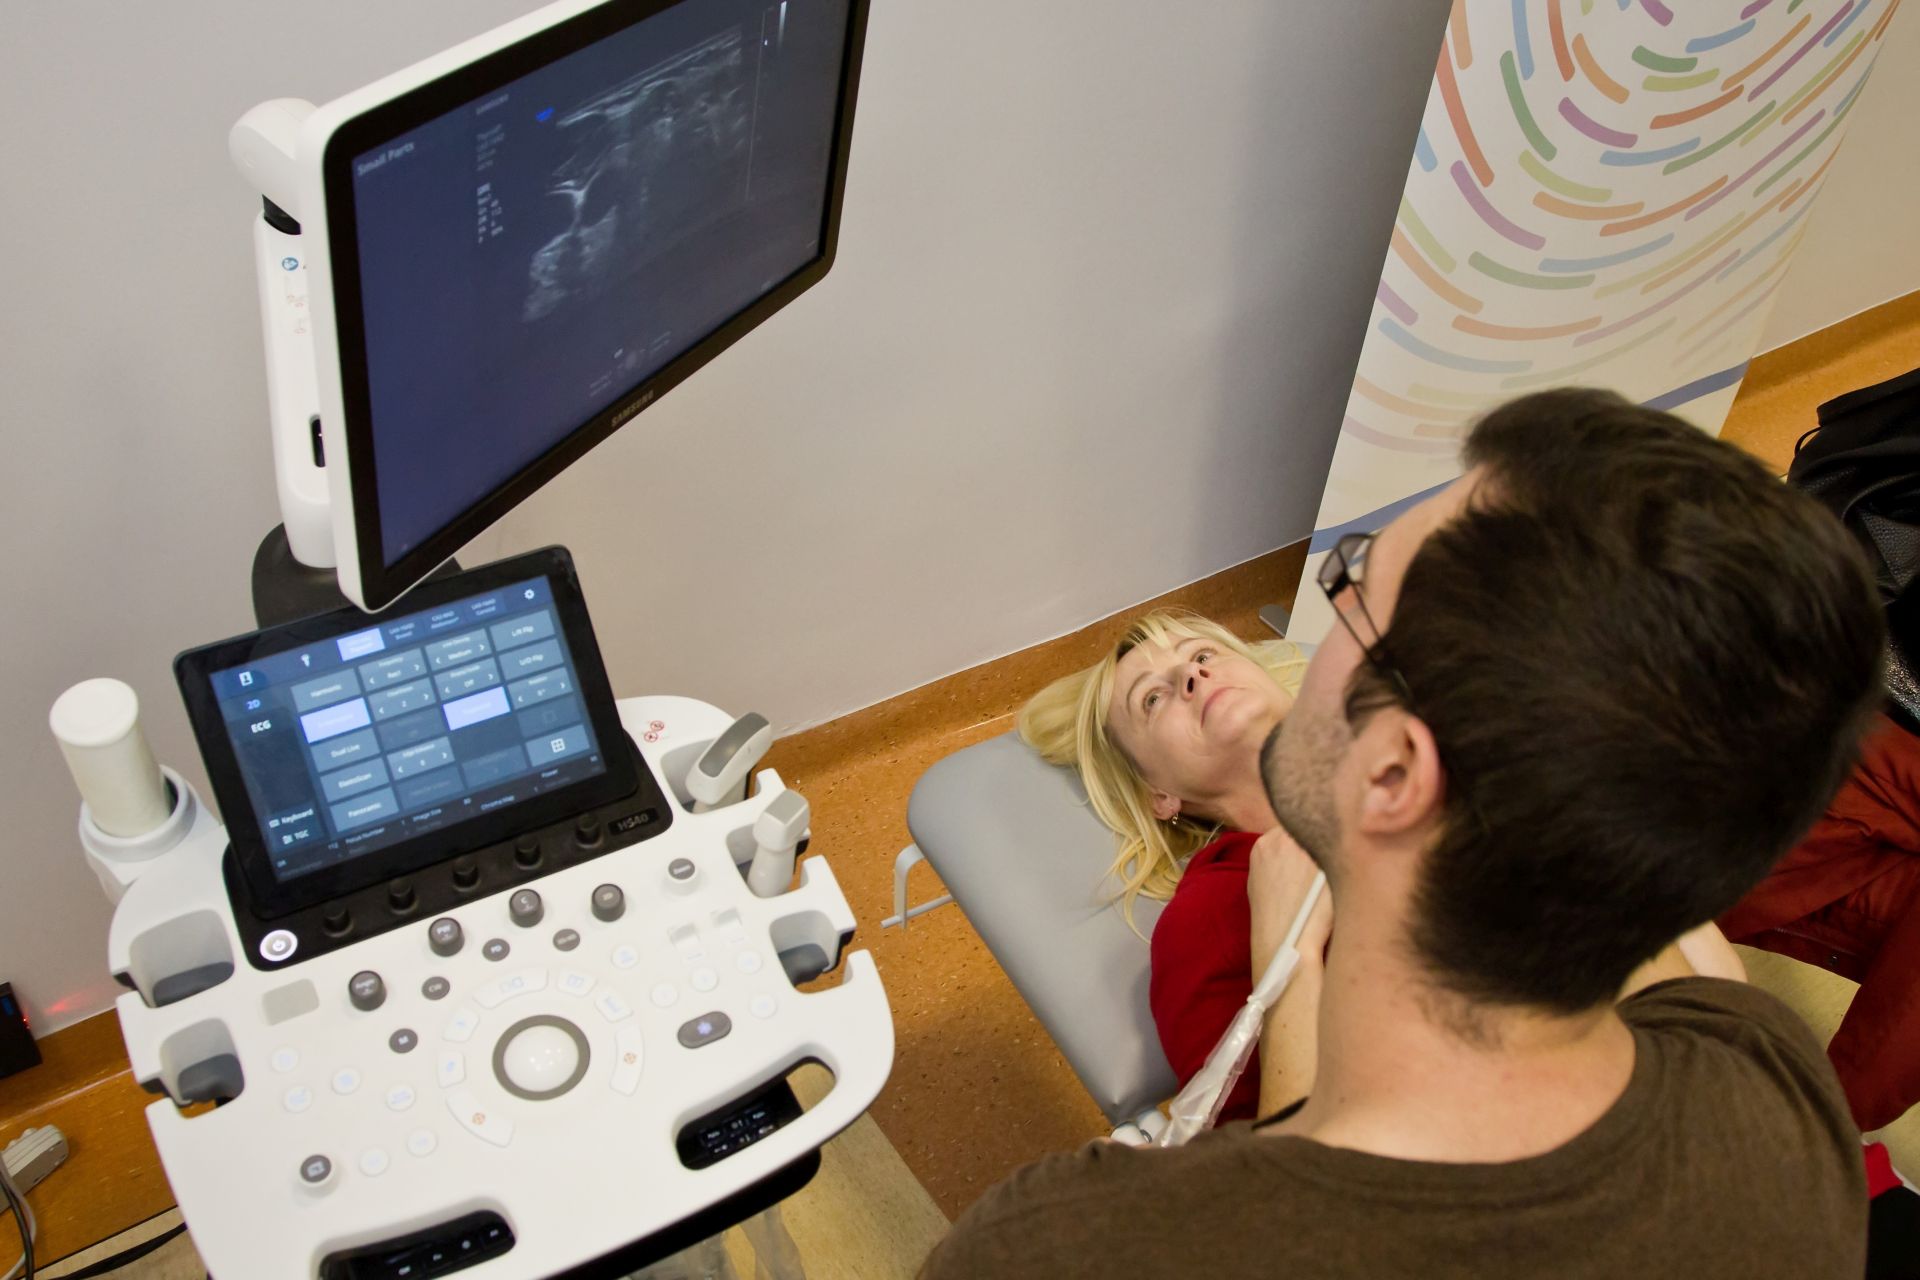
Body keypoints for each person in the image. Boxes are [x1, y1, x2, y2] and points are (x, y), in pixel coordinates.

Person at [922, 388, 1886, 1278]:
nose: (1229, 667)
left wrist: (1291, 965)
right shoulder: (1776, 1091)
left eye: (1355, 593)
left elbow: (1286, 1178)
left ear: (1392, 773)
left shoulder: (1066, 1248)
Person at [1017, 611, 1305, 1120]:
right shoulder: (1207, 919)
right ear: (1158, 794)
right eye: (1152, 699)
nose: (1191, 674)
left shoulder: (1410, 750)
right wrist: (1284, 950)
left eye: (1203, 654)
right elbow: (1260, 1154)